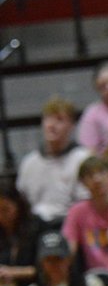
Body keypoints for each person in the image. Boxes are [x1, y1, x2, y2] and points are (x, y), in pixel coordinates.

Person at [18, 96, 89, 230]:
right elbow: (24, 202)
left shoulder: (82, 158)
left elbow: (85, 203)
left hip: (70, 224)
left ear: (71, 126)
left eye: (59, 120)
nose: (52, 125)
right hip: (35, 226)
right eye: (48, 119)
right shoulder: (29, 162)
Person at [0, 181, 40, 286]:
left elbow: (45, 269)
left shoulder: (36, 228)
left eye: (5, 209)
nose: (1, 216)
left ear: (18, 206)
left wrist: (12, 272)